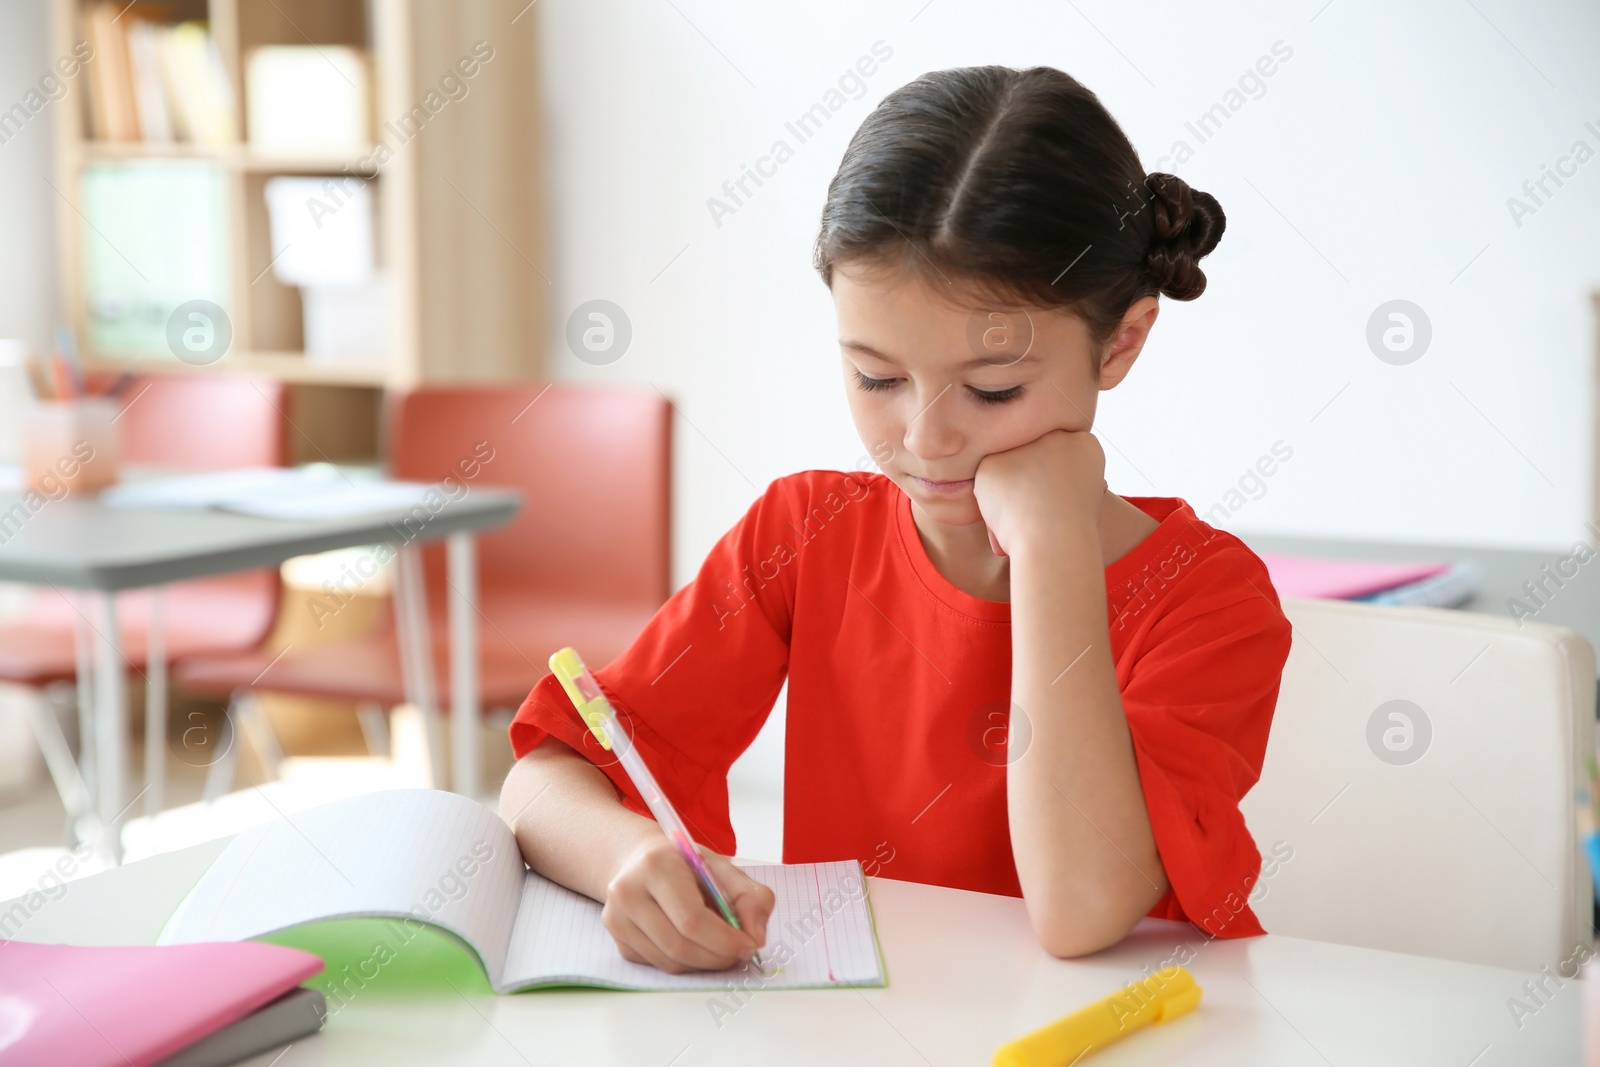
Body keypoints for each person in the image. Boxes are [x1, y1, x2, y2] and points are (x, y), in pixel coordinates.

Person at [499, 64, 1293, 974]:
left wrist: (1050, 545)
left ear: (1121, 342)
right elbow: (539, 783)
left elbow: (1079, 908)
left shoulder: (1209, 597)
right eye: (876, 376)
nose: (925, 438)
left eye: (994, 389)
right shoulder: (805, 533)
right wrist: (628, 858)